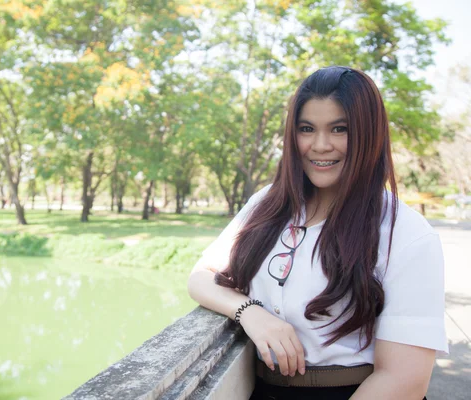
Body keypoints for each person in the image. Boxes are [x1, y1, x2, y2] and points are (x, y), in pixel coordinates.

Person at [187, 66, 447, 400]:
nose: (320, 145)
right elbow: (201, 277)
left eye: (340, 129)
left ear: (370, 134)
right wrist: (250, 312)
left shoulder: (406, 234)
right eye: (306, 129)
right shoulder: (267, 204)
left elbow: (404, 380)